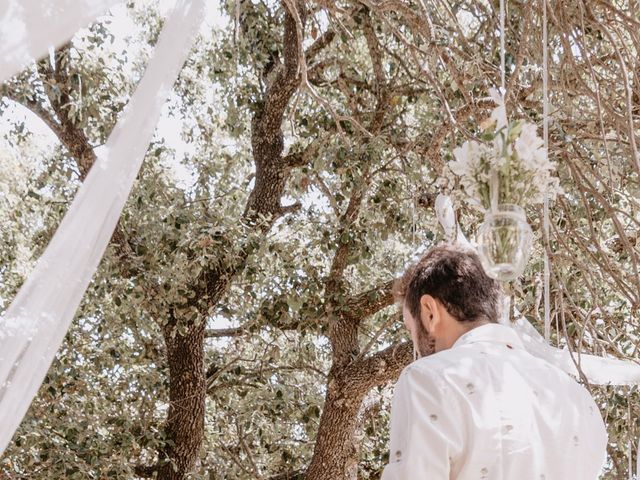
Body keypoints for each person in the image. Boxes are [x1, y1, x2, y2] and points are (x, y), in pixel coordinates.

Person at [381, 244, 607, 479]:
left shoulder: (428, 379)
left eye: (410, 329)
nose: (415, 346)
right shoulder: (579, 399)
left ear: (429, 312)